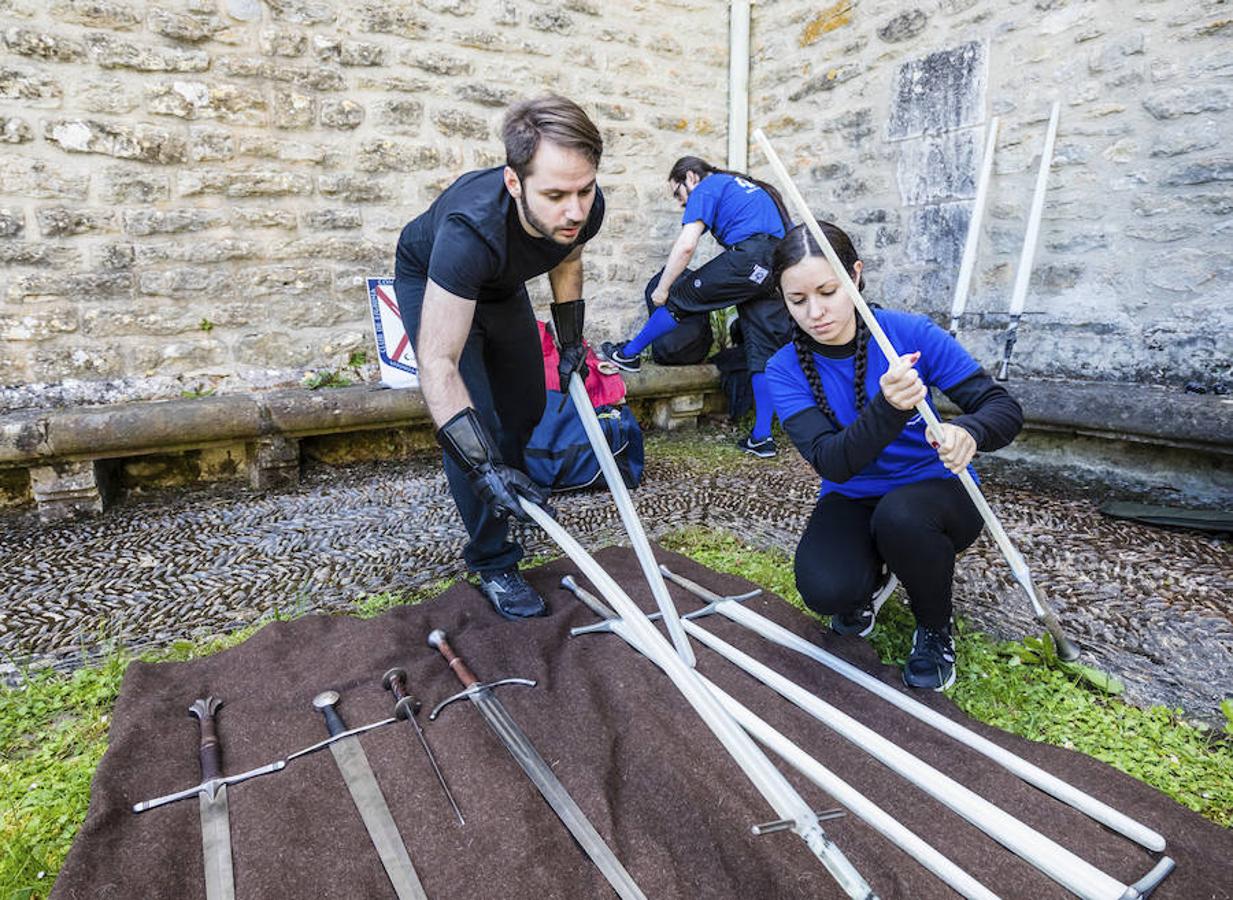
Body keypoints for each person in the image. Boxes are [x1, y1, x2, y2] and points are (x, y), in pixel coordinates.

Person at [764, 221, 1024, 690]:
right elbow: (833, 462)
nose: (816, 312)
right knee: (826, 589)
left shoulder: (907, 333)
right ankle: (875, 574)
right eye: (798, 300)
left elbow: (1002, 409)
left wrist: (968, 430)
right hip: (853, 491)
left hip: (936, 495)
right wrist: (887, 407)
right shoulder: (783, 368)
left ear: (856, 276)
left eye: (828, 291)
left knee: (901, 518)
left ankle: (934, 628)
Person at [392, 95, 605, 620]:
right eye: (555, 195)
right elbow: (437, 366)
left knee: (526, 406)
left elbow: (567, 255)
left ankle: (508, 482)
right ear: (515, 184)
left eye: (585, 189)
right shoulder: (471, 231)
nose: (574, 210)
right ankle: (493, 559)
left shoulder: (582, 209)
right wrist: (484, 467)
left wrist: (571, 336)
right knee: (477, 426)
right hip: (436, 277)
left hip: (502, 284)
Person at [597, 157, 793, 458]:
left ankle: (628, 354)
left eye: (678, 193)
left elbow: (686, 245)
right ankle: (762, 438)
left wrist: (663, 289)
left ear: (690, 177)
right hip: (773, 266)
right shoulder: (747, 187)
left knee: (680, 298)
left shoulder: (708, 185)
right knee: (761, 350)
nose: (680, 203)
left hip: (748, 256)